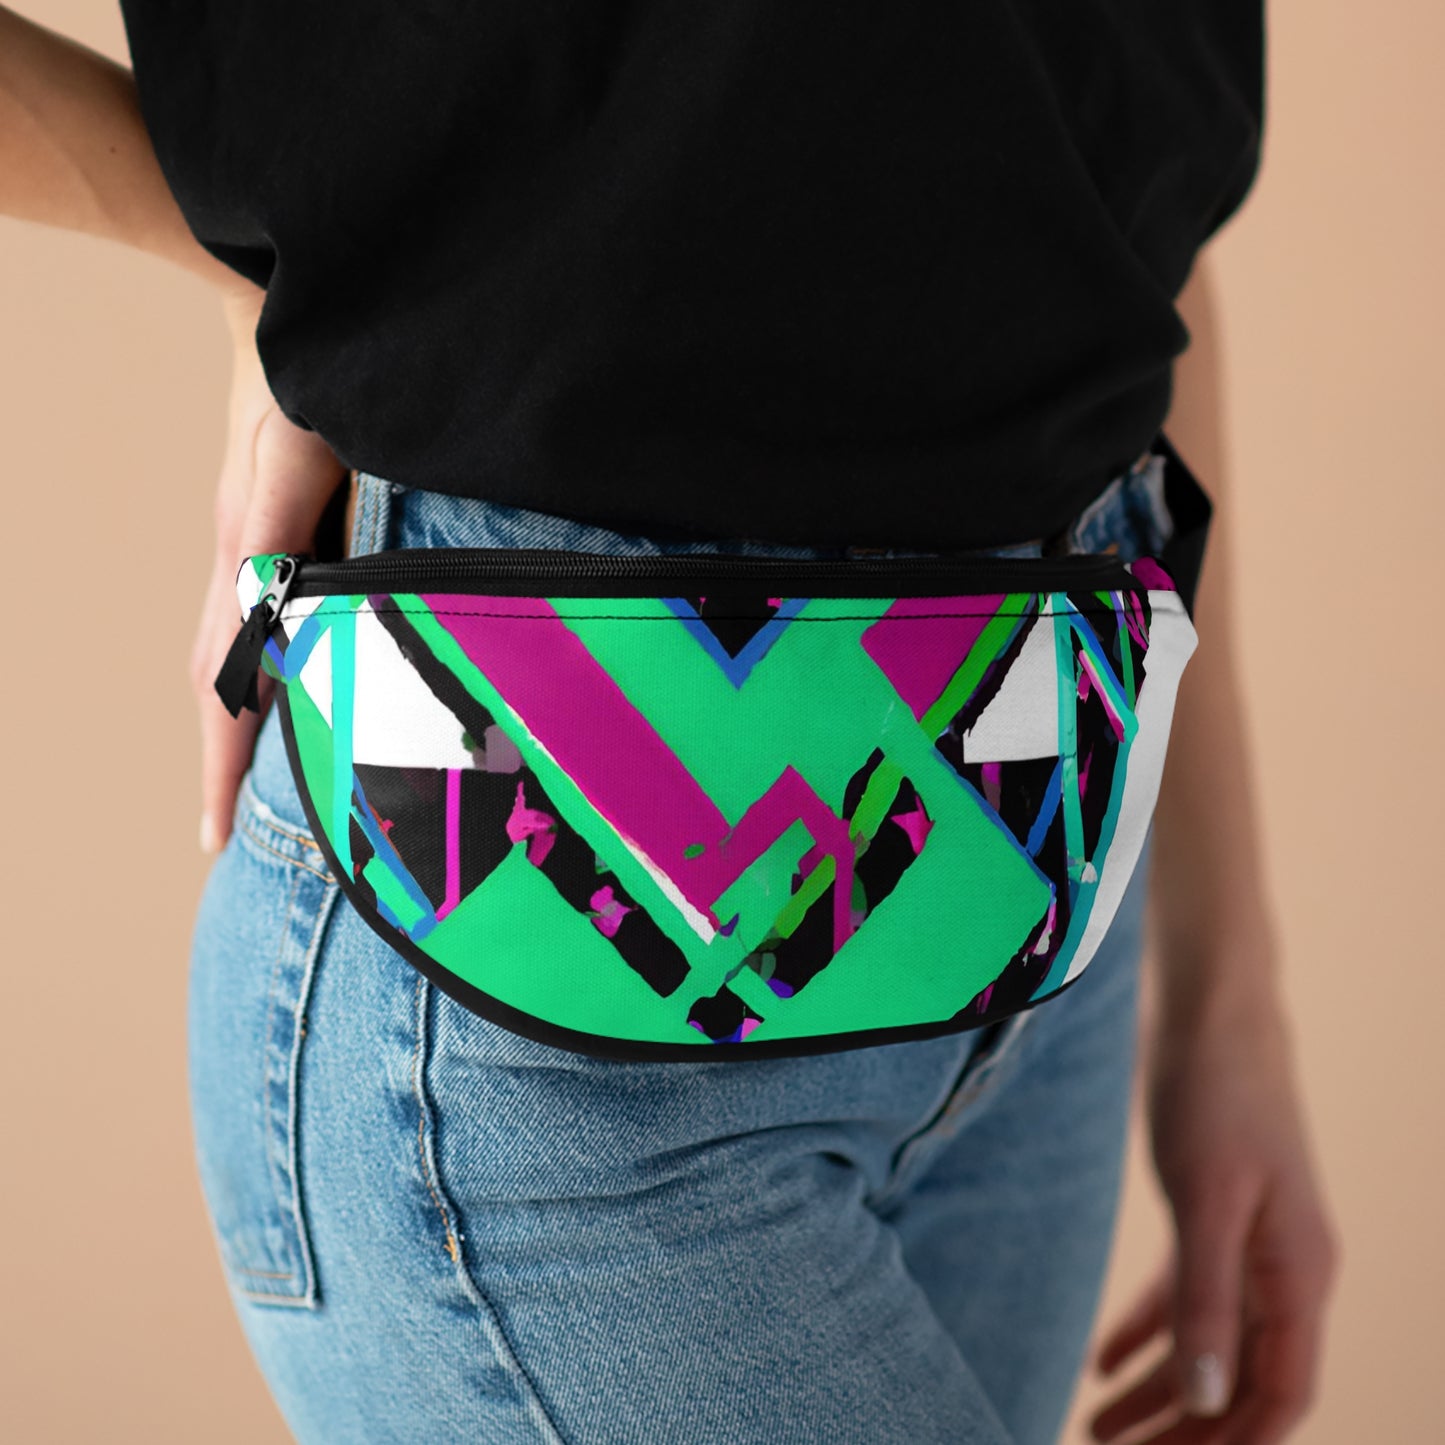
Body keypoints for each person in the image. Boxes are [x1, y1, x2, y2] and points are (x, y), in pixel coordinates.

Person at [1, 6, 1339, 1442]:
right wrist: (252, 279)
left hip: (1042, 865)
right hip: (542, 985)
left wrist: (1227, 993)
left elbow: (1120, 188)